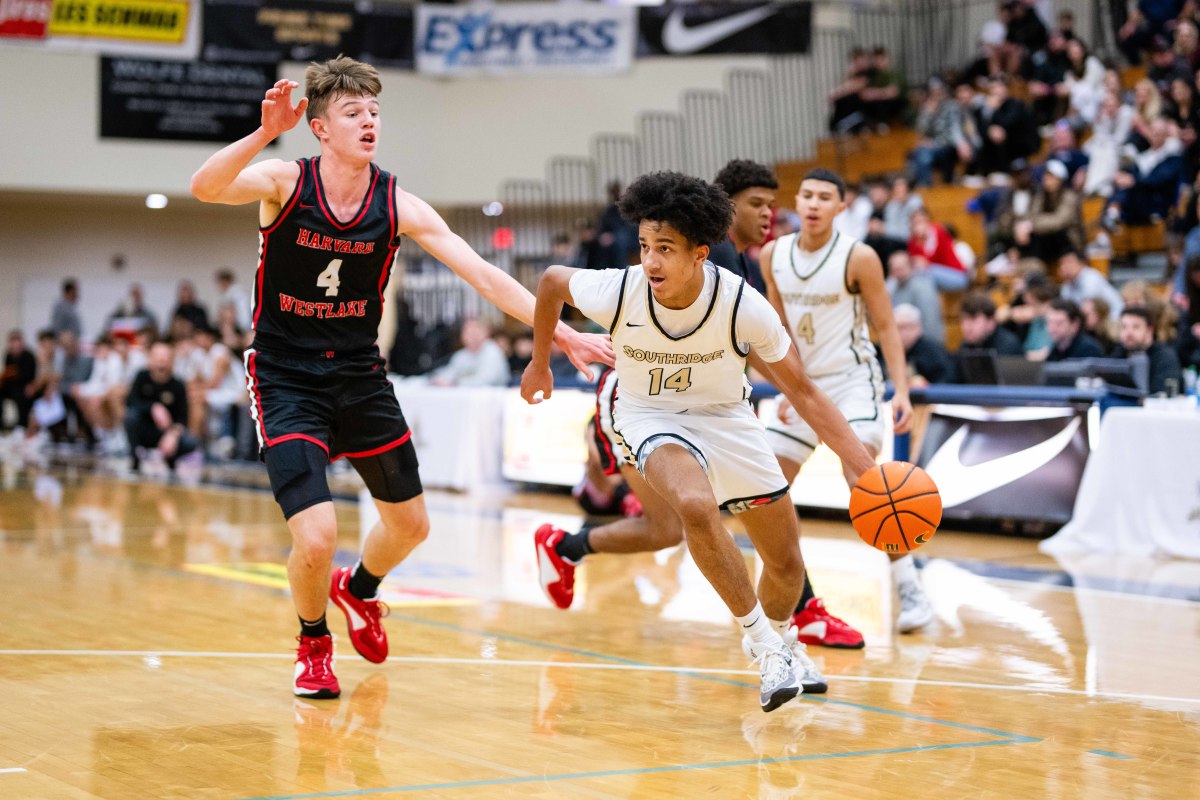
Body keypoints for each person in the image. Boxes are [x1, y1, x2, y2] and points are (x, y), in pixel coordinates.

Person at [189, 57, 610, 700]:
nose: (368, 122)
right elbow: (204, 188)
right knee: (317, 533)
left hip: (359, 376)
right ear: (321, 129)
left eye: (375, 112)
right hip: (285, 376)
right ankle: (313, 644)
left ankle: (358, 590)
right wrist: (262, 131)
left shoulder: (397, 203)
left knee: (411, 526)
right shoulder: (284, 181)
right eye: (353, 113)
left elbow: (486, 277)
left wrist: (566, 333)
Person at [523, 171, 878, 711]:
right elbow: (550, 281)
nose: (651, 261)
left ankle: (782, 640)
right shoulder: (620, 290)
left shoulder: (741, 303)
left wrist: (859, 464)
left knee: (785, 562)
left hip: (727, 418)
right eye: (644, 246)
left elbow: (803, 390)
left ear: (699, 254)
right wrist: (539, 362)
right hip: (648, 415)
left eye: (665, 249)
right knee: (691, 503)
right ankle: (762, 644)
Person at [124, 341, 198, 472]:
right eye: (158, 358)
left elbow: (182, 418)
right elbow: (131, 401)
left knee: (191, 442)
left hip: (166, 432)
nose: (161, 363)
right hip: (145, 430)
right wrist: (153, 407)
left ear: (172, 362)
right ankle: (135, 458)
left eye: (165, 359)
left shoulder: (178, 385)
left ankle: (170, 459)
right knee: (130, 417)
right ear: (150, 360)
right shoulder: (141, 377)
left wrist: (172, 436)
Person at [706, 159, 776, 293]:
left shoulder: (746, 259)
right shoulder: (718, 252)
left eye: (770, 206)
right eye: (756, 204)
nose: (767, 213)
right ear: (728, 206)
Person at [952, 293, 1024, 382]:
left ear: (991, 322)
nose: (967, 326)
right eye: (964, 319)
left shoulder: (1008, 346)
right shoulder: (965, 346)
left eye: (973, 319)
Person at [1110, 307, 1183, 394]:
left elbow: (1162, 393)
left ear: (1149, 330)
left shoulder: (1165, 357)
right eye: (1124, 327)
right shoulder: (1119, 353)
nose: (1128, 333)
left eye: (1136, 327)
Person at [886, 250, 945, 345]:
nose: (898, 273)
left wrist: (930, 345)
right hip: (900, 343)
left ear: (910, 267)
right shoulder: (891, 287)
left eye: (900, 269)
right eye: (894, 270)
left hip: (923, 344)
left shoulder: (923, 287)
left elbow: (930, 321)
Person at [430, 317, 511, 387]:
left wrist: (454, 383)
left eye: (476, 330)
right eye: (467, 331)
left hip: (493, 399)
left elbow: (486, 381)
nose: (472, 335)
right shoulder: (461, 355)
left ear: (486, 333)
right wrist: (439, 379)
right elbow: (450, 373)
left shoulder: (492, 351)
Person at [893, 303, 953, 386]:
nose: (902, 333)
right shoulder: (886, 351)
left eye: (907, 327)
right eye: (898, 328)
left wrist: (926, 385)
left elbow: (946, 379)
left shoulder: (932, 352)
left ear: (918, 327)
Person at [1, 330, 37, 432]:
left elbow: (29, 376)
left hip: (26, 387)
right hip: (12, 386)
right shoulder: (8, 356)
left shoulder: (28, 356)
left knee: (22, 396)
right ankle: (2, 424)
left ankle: (22, 426)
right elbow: (8, 373)